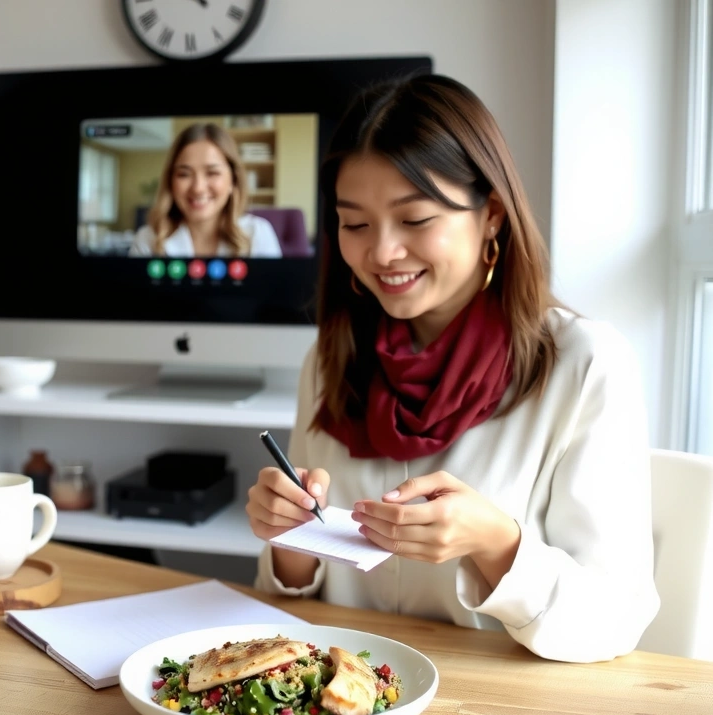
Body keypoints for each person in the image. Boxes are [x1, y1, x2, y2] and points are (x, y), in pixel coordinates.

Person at [245, 74, 659, 664]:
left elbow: (615, 622)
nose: (381, 252)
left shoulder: (584, 364)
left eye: (414, 220)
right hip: (344, 703)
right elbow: (296, 599)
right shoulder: (332, 358)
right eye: (355, 224)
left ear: (491, 214)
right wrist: (289, 539)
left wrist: (497, 544)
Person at [129, 123, 283, 258]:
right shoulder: (147, 240)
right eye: (184, 174)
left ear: (233, 181)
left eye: (212, 173)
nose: (198, 188)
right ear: (170, 181)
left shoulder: (258, 234)